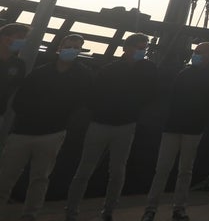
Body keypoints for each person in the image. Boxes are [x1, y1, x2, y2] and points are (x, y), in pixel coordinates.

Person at [66, 33, 158, 221]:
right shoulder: (110, 70)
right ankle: (71, 210)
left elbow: (151, 92)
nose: (142, 51)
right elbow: (94, 94)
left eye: (144, 48)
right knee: (85, 169)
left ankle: (108, 211)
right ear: (127, 48)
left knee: (117, 171)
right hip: (101, 123)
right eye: (139, 48)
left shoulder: (148, 69)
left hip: (125, 125)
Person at [0, 34, 92, 221]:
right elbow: (20, 101)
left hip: (53, 133)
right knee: (5, 176)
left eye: (76, 47)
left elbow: (83, 103)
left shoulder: (83, 75)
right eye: (69, 46)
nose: (72, 50)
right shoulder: (41, 72)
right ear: (60, 47)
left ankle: (30, 214)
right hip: (23, 132)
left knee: (40, 178)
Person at [141, 42, 209, 221]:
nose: (195, 54)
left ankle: (179, 208)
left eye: (199, 52)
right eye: (195, 52)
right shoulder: (185, 73)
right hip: (173, 127)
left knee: (185, 170)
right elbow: (173, 98)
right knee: (162, 169)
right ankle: (150, 209)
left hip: (193, 128)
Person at [0, 23, 29, 118]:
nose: (23, 41)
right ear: (5, 38)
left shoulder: (19, 64)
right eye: (20, 37)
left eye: (24, 38)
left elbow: (14, 90)